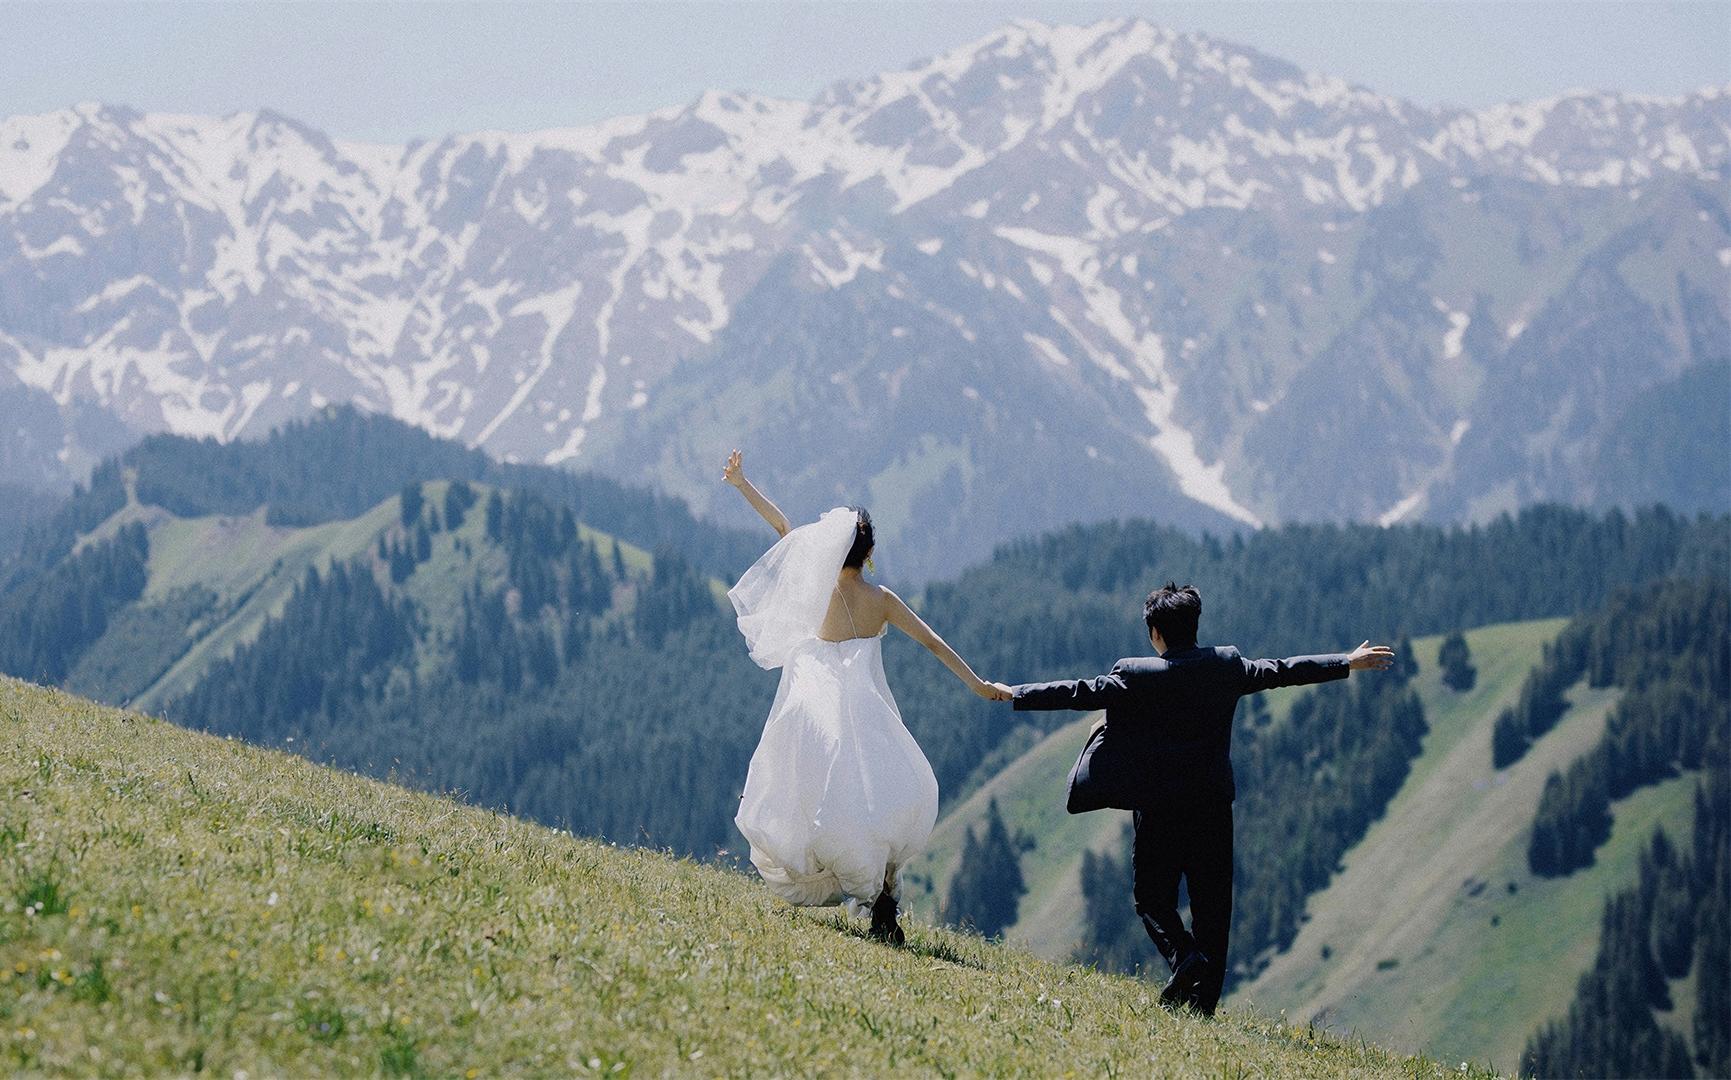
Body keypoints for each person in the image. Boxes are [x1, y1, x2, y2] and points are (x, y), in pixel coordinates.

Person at [1006, 582, 1394, 1015]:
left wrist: (1013, 693)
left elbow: (1077, 692)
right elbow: (1283, 670)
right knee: (1214, 909)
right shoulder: (1225, 666)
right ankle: (1202, 1005)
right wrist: (1347, 662)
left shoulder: (1134, 675)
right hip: (1212, 808)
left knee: (1152, 898)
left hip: (1158, 811)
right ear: (1195, 624)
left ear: (1155, 632)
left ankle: (1181, 957)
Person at [723, 450, 1011, 943]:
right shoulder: (883, 601)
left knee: (822, 795)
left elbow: (783, 527)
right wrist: (979, 684)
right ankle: (881, 899)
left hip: (814, 705)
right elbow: (933, 643)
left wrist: (741, 483)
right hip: (867, 707)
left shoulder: (814, 590)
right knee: (878, 796)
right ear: (869, 553)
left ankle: (869, 895)